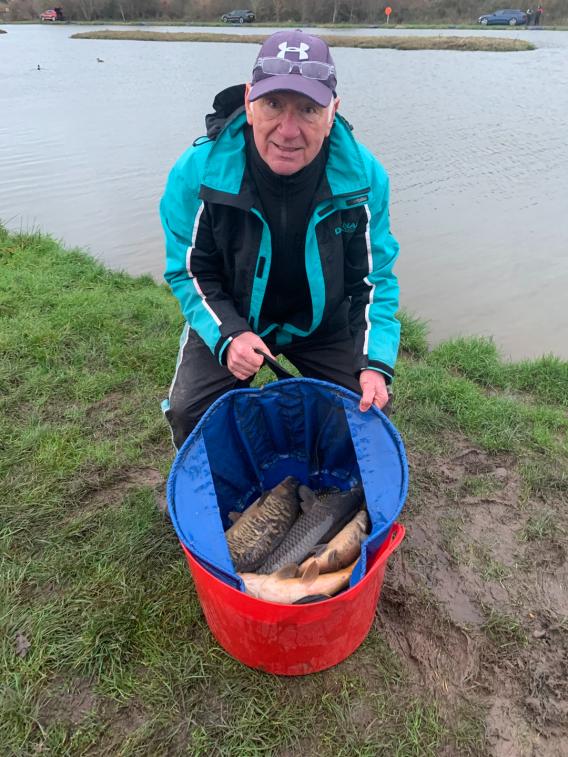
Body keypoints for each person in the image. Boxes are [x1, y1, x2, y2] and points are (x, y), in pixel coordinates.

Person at [160, 30, 401, 451]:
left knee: (367, 412)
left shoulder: (364, 177)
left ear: (332, 112)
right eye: (273, 104)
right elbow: (189, 272)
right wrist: (229, 334)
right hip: (234, 312)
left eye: (308, 109)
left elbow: (375, 281)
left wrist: (373, 363)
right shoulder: (198, 171)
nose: (288, 131)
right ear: (250, 101)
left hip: (323, 323)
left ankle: (324, 473)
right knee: (190, 413)